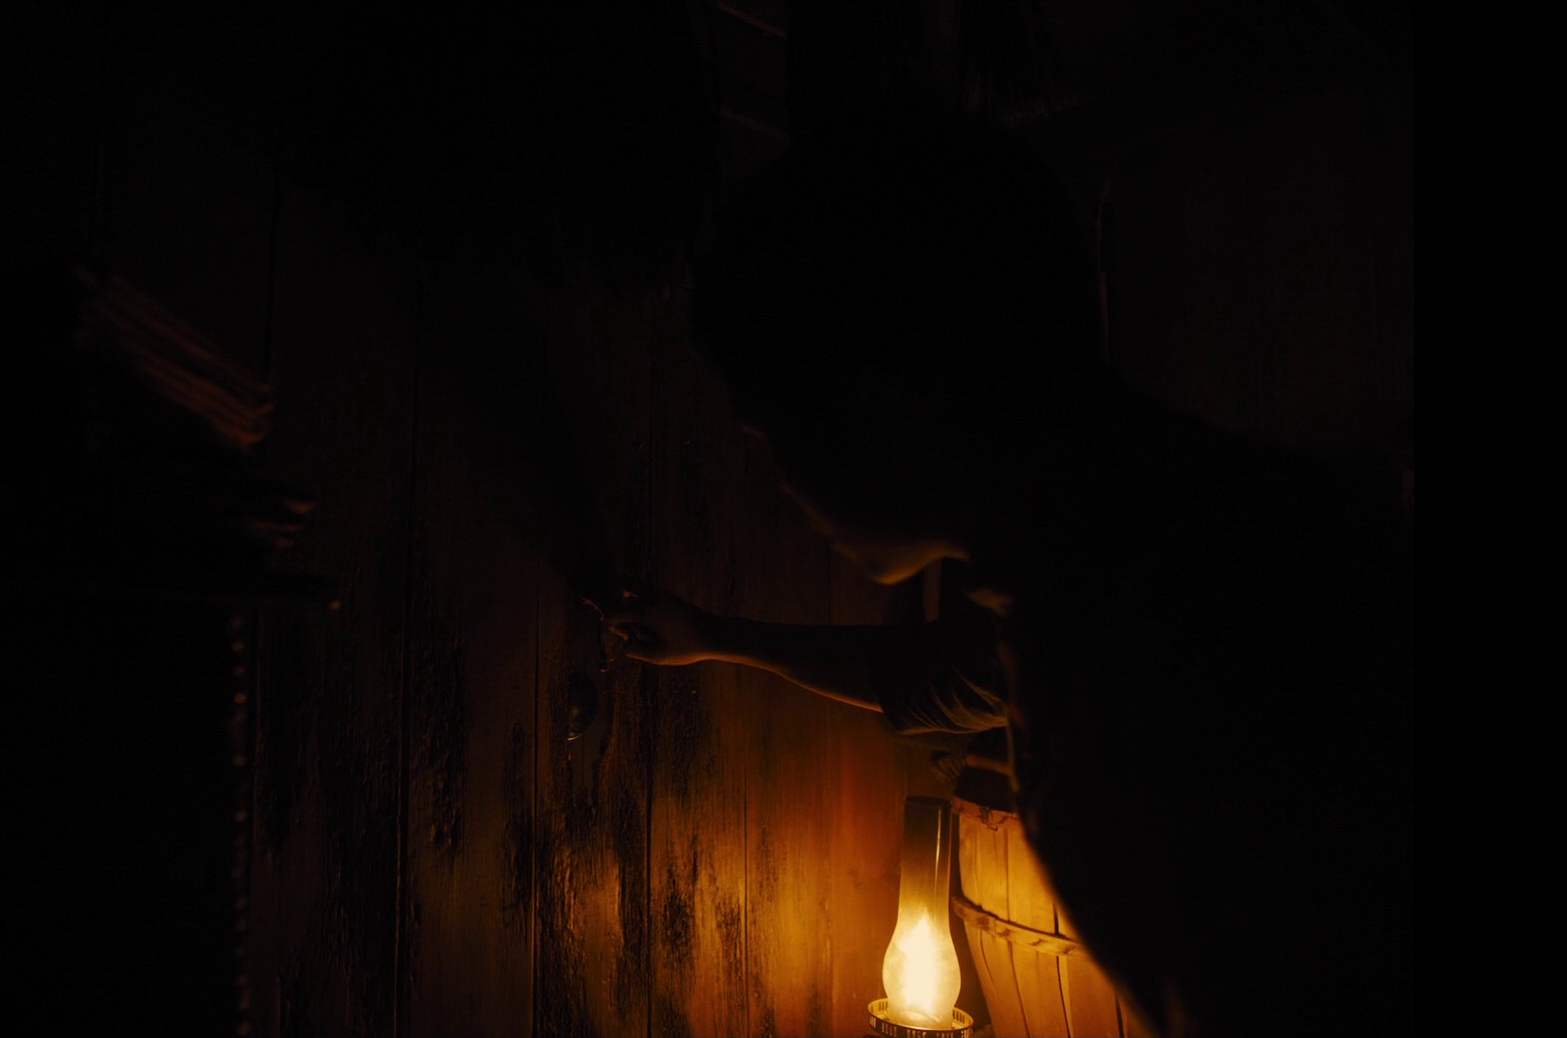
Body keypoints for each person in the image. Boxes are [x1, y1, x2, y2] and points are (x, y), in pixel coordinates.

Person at [601, 112, 1413, 1037]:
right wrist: (715, 638)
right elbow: (922, 681)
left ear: (880, 397)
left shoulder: (1192, 607)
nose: (784, 479)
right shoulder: (1102, 555)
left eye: (773, 431)